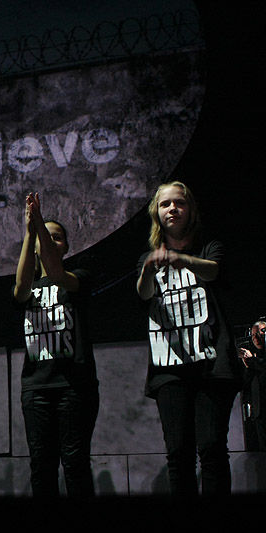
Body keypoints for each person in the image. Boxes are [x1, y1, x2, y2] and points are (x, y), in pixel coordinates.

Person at [136, 181, 241, 496]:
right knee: (178, 452)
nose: (172, 209)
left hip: (211, 364)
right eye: (165, 204)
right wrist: (147, 271)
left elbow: (212, 271)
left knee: (211, 447)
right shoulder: (148, 258)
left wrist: (182, 260)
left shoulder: (209, 247)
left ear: (190, 210)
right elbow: (143, 294)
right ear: (157, 212)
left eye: (178, 203)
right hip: (170, 368)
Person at [12, 193, 98, 498]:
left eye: (57, 237)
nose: (50, 241)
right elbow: (20, 290)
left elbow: (58, 273)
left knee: (75, 463)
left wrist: (37, 224)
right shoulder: (31, 284)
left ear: (66, 246)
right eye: (45, 237)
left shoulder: (80, 278)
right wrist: (29, 232)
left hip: (74, 386)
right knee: (41, 465)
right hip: (36, 388)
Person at [239, 320, 266, 450]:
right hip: (259, 412)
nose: (256, 338)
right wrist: (248, 366)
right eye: (253, 335)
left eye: (260, 332)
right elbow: (246, 384)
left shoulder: (256, 359)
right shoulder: (255, 357)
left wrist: (251, 361)